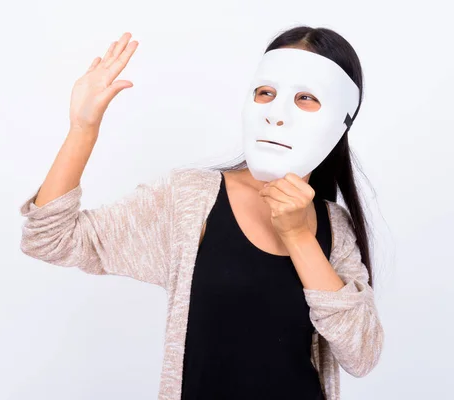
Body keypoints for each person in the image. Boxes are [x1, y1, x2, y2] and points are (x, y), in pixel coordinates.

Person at [19, 26, 384, 400]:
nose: (277, 114)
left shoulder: (334, 226)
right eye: (266, 93)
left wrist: (298, 236)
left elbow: (361, 356)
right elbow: (50, 240)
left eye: (306, 97)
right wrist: (83, 129)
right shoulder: (191, 199)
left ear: (343, 119)